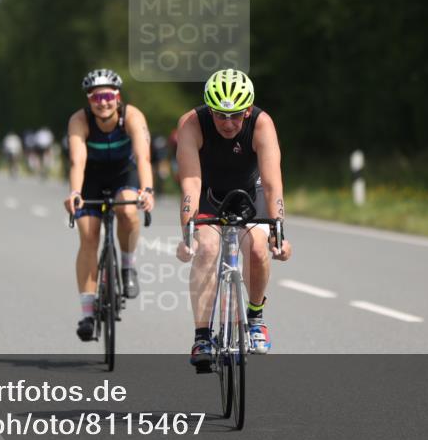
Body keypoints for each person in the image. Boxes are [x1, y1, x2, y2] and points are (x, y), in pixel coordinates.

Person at [174, 69, 292, 370]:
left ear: (248, 110)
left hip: (249, 194)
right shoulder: (192, 123)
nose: (228, 123)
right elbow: (190, 183)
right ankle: (202, 336)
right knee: (208, 249)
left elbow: (272, 184)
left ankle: (255, 318)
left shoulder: (262, 124)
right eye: (220, 116)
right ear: (209, 110)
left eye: (236, 116)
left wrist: (279, 231)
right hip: (209, 194)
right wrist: (187, 234)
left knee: (256, 246)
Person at [64, 69, 155, 341]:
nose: (102, 102)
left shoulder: (132, 116)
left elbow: (143, 158)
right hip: (90, 177)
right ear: (89, 100)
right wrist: (75, 193)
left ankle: (127, 266)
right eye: (95, 97)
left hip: (122, 175)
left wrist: (147, 190)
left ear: (118, 97)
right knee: (89, 236)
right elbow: (77, 162)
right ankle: (88, 314)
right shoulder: (80, 120)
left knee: (127, 210)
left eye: (107, 95)